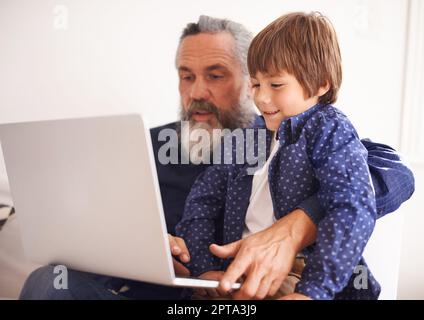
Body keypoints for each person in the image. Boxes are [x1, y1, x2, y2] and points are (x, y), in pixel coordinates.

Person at [19, 15, 414, 300]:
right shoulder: (146, 145)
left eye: (215, 75)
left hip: (268, 286)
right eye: (186, 76)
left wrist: (303, 221)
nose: (197, 92)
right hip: (175, 292)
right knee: (49, 281)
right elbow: (102, 226)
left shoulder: (318, 132)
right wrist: (150, 249)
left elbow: (387, 178)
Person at [175, 12, 412, 300]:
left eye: (275, 85)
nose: (261, 98)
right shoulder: (247, 137)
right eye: (256, 84)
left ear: (321, 84)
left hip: (301, 274)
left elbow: (351, 207)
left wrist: (314, 290)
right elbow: (202, 202)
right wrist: (202, 269)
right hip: (234, 272)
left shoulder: (328, 130)